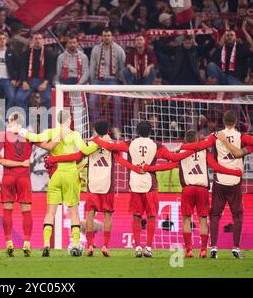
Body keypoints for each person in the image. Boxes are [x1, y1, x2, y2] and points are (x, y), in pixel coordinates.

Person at [92, 121, 194, 258]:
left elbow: (109, 146)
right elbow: (174, 160)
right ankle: (148, 247)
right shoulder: (156, 145)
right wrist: (193, 148)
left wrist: (96, 139)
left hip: (135, 184)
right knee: (151, 216)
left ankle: (138, 247)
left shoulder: (130, 143)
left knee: (136, 216)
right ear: (150, 131)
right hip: (150, 185)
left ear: (137, 131)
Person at [48, 120, 146, 257]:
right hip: (107, 186)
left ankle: (89, 246)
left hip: (92, 186)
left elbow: (76, 157)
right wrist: (135, 168)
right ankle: (105, 246)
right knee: (107, 216)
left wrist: (56, 159)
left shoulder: (89, 144)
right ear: (108, 130)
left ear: (95, 130)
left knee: (89, 214)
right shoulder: (112, 145)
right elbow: (122, 160)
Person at [143, 129, 242, 258]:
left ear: (185, 140)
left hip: (188, 189)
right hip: (202, 189)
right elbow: (216, 167)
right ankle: (203, 250)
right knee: (203, 219)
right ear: (197, 140)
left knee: (186, 219)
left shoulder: (181, 152)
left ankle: (189, 250)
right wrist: (234, 172)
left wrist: (149, 168)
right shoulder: (204, 151)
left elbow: (168, 166)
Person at [18, 110, 100, 257]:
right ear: (69, 119)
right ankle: (76, 244)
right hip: (70, 174)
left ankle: (46, 244)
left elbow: (36, 137)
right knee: (73, 212)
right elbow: (86, 151)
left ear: (58, 120)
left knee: (50, 212)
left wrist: (21, 131)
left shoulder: (53, 131)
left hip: (56, 175)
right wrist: (99, 143)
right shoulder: (74, 135)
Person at [180, 110, 253, 259]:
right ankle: (236, 248)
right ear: (237, 122)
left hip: (219, 181)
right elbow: (241, 152)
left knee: (215, 214)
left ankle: (213, 247)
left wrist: (183, 147)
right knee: (237, 215)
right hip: (235, 182)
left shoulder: (215, 136)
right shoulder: (243, 137)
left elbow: (201, 145)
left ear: (223, 121)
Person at [0, 112, 58, 257]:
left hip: (8, 177)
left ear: (9, 121)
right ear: (22, 122)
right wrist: (59, 134)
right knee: (26, 211)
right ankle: (27, 243)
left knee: (7, 210)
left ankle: (9, 242)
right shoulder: (29, 135)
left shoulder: (3, 135)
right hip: (23, 178)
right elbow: (48, 146)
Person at [89, 28, 126, 132]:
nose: (106, 38)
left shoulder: (119, 49)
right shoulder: (96, 49)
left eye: (108, 35)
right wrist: (92, 83)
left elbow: (123, 67)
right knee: (92, 100)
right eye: (104, 36)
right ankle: (95, 129)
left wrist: (124, 84)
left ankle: (116, 127)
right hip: (98, 80)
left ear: (112, 36)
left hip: (113, 80)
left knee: (117, 100)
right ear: (102, 37)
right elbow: (92, 66)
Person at [16, 32, 55, 114]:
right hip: (29, 81)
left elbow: (51, 70)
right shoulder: (26, 53)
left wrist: (45, 83)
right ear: (32, 40)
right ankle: (26, 122)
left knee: (49, 99)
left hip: (43, 81)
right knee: (19, 98)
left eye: (40, 39)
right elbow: (22, 69)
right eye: (36, 39)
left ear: (43, 40)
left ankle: (47, 125)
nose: (38, 41)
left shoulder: (49, 53)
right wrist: (24, 82)